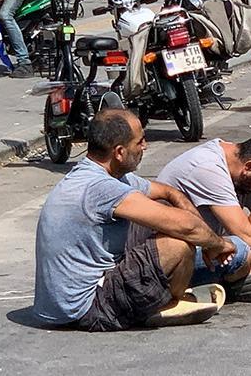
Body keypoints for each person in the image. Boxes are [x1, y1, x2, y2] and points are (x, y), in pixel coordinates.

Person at [33, 109, 236, 332]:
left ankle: (161, 293)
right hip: (87, 309)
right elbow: (186, 227)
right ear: (119, 152)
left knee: (170, 214)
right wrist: (218, 244)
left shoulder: (103, 175)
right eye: (140, 142)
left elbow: (168, 192)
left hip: (63, 306)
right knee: (180, 243)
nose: (145, 147)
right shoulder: (101, 188)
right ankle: (168, 301)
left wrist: (185, 208)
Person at [154, 134, 251, 303]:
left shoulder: (242, 169)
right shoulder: (208, 168)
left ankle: (247, 280)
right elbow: (250, 238)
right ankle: (244, 281)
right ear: (250, 167)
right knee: (241, 249)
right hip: (175, 259)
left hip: (214, 247)